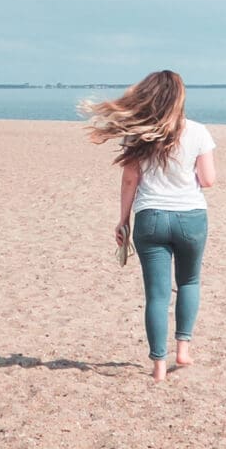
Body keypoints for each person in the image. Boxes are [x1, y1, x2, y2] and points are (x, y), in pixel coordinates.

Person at [81, 70, 216, 382]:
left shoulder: (137, 134)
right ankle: (183, 348)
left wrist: (123, 219)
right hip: (190, 217)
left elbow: (130, 179)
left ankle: (158, 366)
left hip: (150, 217)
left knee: (156, 296)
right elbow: (208, 180)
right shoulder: (198, 132)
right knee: (189, 282)